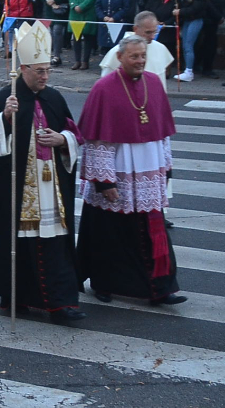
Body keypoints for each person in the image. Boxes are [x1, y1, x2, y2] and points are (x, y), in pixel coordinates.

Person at [0, 21, 85, 321]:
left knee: (54, 243)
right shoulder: (6, 99)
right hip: (15, 194)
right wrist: (4, 119)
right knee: (18, 246)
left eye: (48, 70)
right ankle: (15, 297)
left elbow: (74, 135)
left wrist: (61, 140)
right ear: (23, 68)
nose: (45, 76)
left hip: (50, 190)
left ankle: (61, 303)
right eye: (39, 71)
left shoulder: (54, 98)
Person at [77, 33, 185, 306]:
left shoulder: (153, 84)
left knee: (154, 233)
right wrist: (104, 182)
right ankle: (103, 283)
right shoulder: (104, 88)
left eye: (143, 56)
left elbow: (163, 134)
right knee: (110, 235)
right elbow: (97, 140)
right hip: (117, 174)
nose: (139, 61)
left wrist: (165, 169)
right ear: (120, 58)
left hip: (148, 173)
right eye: (134, 56)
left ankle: (160, 288)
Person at [100, 11, 175, 90]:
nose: (153, 37)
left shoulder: (161, 48)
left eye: (155, 32)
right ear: (135, 29)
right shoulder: (119, 51)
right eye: (148, 32)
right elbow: (105, 86)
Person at [173, 0, 210, 82]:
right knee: (185, 45)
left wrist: (180, 12)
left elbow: (195, 9)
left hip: (195, 20)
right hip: (188, 20)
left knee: (188, 45)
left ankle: (189, 71)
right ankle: (186, 69)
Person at [68, 0, 101, 70]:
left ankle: (85, 60)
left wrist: (82, 6)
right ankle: (77, 60)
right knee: (76, 37)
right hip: (75, 12)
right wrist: (74, 5)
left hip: (87, 11)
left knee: (87, 37)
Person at [196, 0, 225, 78]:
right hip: (208, 18)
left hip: (216, 17)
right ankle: (206, 68)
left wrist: (222, 14)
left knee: (210, 43)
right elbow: (207, 1)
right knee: (208, 44)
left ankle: (203, 66)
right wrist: (218, 16)